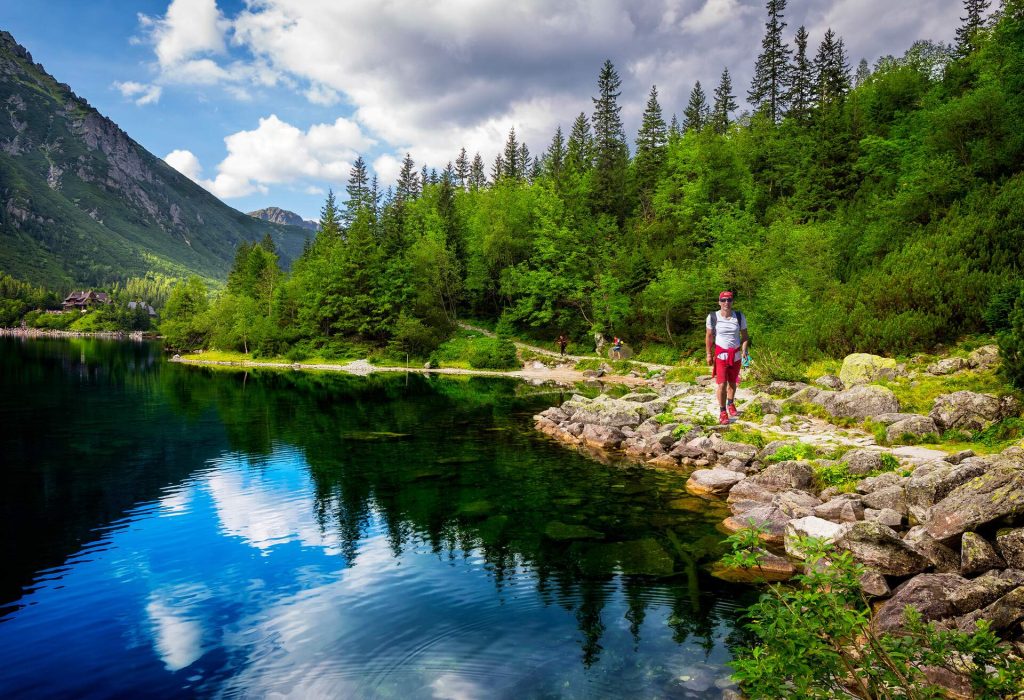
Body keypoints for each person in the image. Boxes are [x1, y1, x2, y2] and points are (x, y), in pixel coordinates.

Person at [706, 291, 749, 425]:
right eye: (723, 300)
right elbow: (709, 336)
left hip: (735, 355)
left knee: (732, 382)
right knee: (722, 384)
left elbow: (745, 336)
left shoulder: (739, 316)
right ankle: (723, 411)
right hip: (720, 355)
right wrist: (708, 354)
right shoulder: (713, 317)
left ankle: (731, 403)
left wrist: (744, 351)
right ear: (719, 302)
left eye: (729, 300)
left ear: (732, 302)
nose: (726, 303)